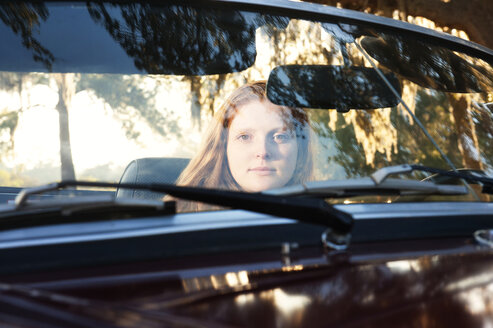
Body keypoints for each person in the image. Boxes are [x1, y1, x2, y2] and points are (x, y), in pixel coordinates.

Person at [172, 81, 313, 212]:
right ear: (223, 147)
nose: (262, 152)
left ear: (300, 149)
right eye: (245, 137)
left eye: (279, 137)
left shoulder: (327, 221)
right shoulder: (175, 221)